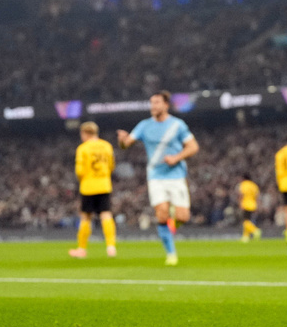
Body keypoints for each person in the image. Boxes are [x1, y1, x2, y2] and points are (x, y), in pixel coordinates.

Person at [117, 91, 199, 265]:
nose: (153, 106)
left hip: (176, 175)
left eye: (156, 103)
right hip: (155, 176)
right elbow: (126, 145)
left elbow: (193, 147)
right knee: (161, 214)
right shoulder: (144, 125)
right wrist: (122, 140)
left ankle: (170, 228)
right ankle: (171, 253)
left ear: (166, 105)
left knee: (182, 217)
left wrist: (176, 158)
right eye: (151, 103)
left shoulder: (177, 125)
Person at [68, 122, 118, 259]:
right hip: (104, 184)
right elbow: (111, 166)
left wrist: (84, 179)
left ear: (85, 133)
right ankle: (111, 246)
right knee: (106, 215)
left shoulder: (83, 148)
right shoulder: (107, 146)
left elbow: (79, 171)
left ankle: (82, 249)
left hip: (88, 186)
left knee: (86, 217)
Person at [237, 173, 262, 242]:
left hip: (246, 204)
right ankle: (246, 236)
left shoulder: (243, 184)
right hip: (253, 204)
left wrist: (240, 203)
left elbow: (241, 194)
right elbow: (257, 195)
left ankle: (255, 230)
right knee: (248, 219)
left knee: (245, 221)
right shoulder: (254, 185)